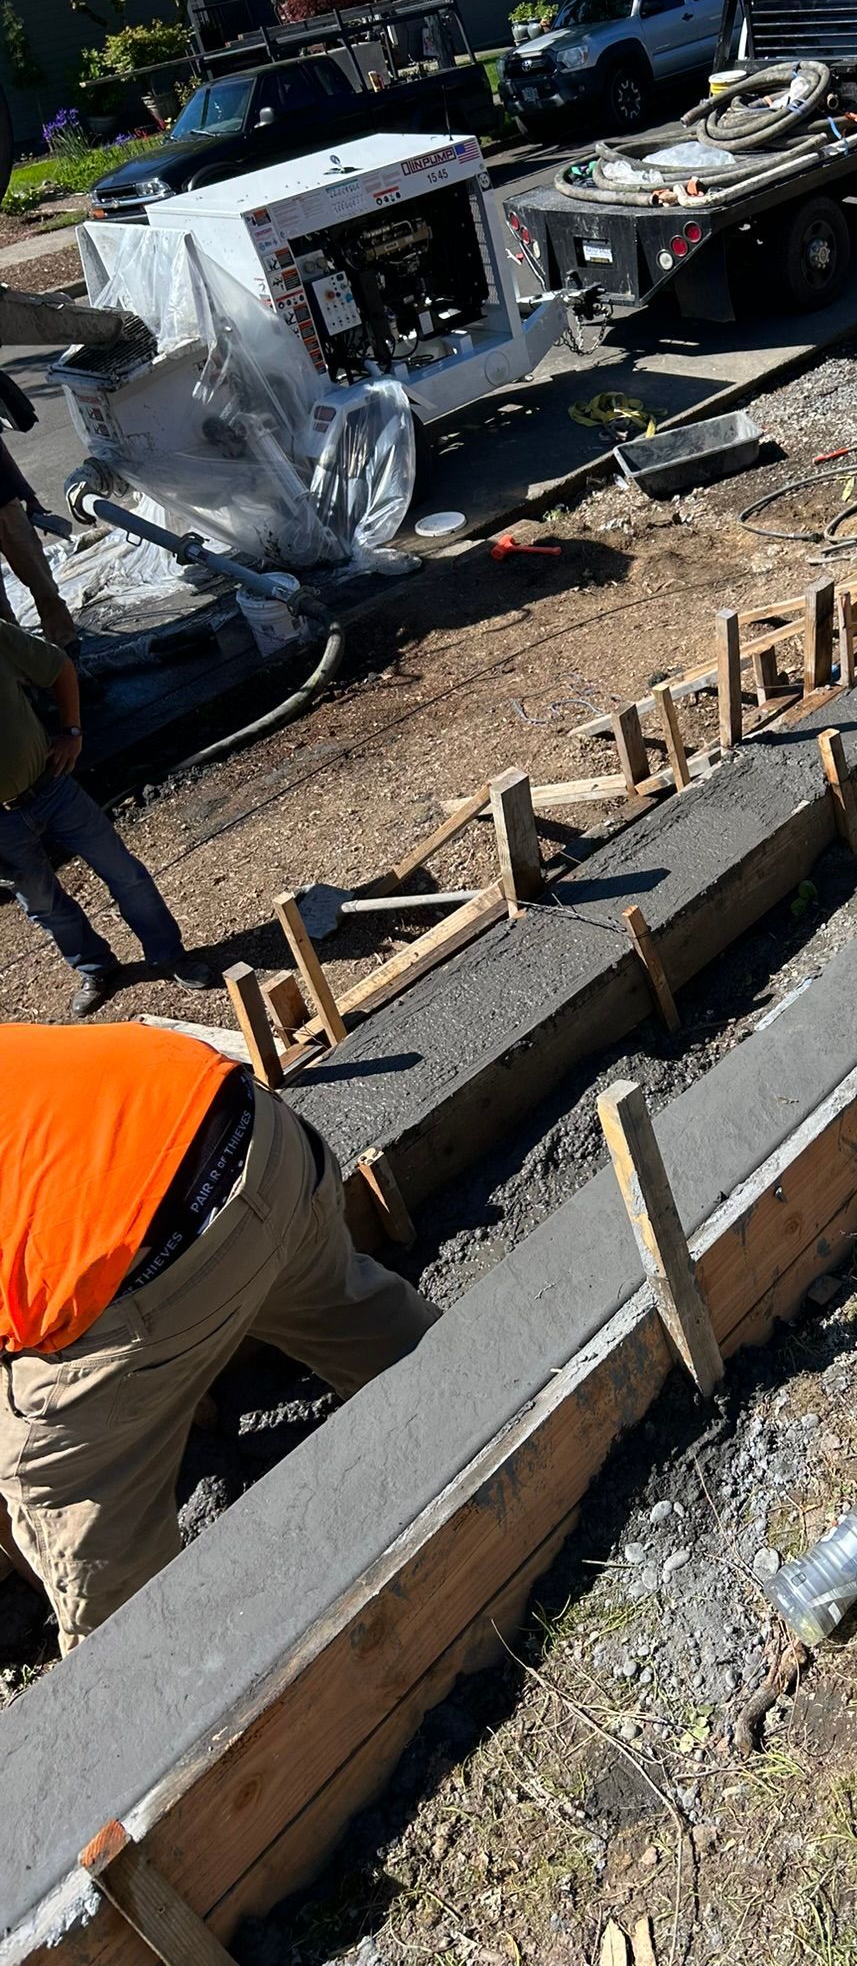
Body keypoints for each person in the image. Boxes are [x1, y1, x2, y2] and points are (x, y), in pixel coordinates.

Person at [0, 1023, 442, 1649]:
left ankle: (145, 1688)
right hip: (256, 1132)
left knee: (55, 1477)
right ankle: (478, 1396)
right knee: (340, 1305)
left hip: (144, 1256)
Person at [0, 617, 214, 1014]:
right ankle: (95, 967)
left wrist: (73, 732)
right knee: (43, 904)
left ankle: (169, 954)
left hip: (51, 785)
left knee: (123, 872)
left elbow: (58, 666)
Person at [0, 433, 75, 649]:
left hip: (6, 507)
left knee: (44, 585)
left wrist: (29, 497)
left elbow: (2, 453)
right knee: (1, 611)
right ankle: (20, 669)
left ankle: (67, 648)